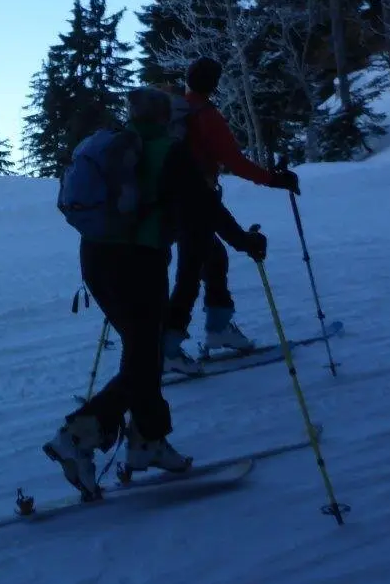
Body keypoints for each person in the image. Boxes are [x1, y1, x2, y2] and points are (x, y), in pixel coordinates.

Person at [44, 87, 268, 497]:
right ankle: (78, 435)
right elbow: (207, 208)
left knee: (141, 354)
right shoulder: (169, 151)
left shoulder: (112, 145)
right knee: (143, 360)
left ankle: (146, 441)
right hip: (139, 265)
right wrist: (245, 242)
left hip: (95, 260)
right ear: (167, 118)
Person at [162, 57, 299, 374]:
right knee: (190, 272)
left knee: (213, 258)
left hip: (173, 201)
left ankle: (217, 328)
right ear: (214, 83)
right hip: (196, 200)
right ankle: (168, 348)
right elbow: (235, 162)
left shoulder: (175, 111)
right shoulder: (206, 116)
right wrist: (275, 180)